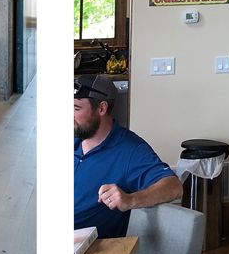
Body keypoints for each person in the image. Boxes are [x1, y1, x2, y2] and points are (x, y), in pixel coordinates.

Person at [74, 74, 182, 238]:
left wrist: (130, 200)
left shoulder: (130, 150)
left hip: (89, 253)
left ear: (102, 108)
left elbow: (173, 186)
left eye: (76, 108)